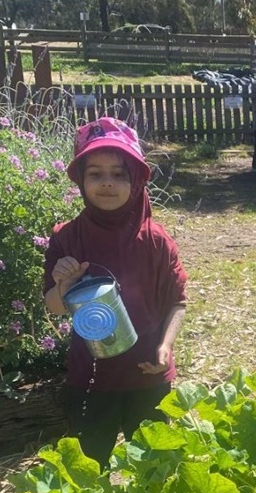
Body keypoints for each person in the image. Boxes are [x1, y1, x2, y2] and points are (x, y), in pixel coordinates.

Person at [43, 117, 189, 468]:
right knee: (88, 473)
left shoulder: (156, 240)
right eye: (95, 174)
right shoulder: (67, 238)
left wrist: (165, 347)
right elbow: (54, 308)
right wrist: (63, 286)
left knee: (155, 471)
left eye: (118, 174)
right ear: (80, 181)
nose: (107, 182)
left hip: (148, 375)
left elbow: (178, 302)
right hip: (91, 380)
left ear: (136, 180)